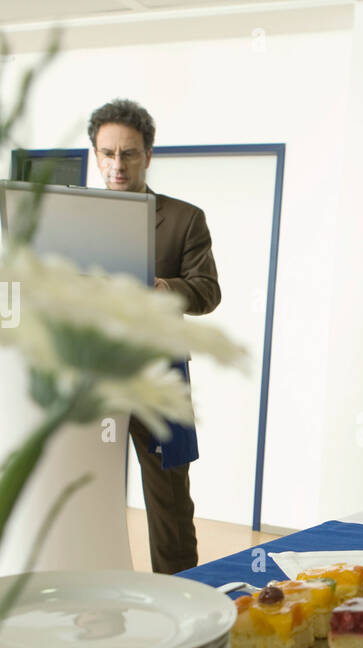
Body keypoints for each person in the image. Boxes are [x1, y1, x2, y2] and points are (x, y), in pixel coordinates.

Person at [88, 98, 221, 573]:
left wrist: (162, 286)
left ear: (148, 155)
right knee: (84, 492)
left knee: (168, 494)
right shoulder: (75, 215)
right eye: (107, 153)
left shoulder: (185, 218)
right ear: (96, 154)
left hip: (158, 373)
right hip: (89, 373)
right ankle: (91, 586)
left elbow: (208, 291)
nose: (117, 164)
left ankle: (181, 590)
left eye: (128, 153)